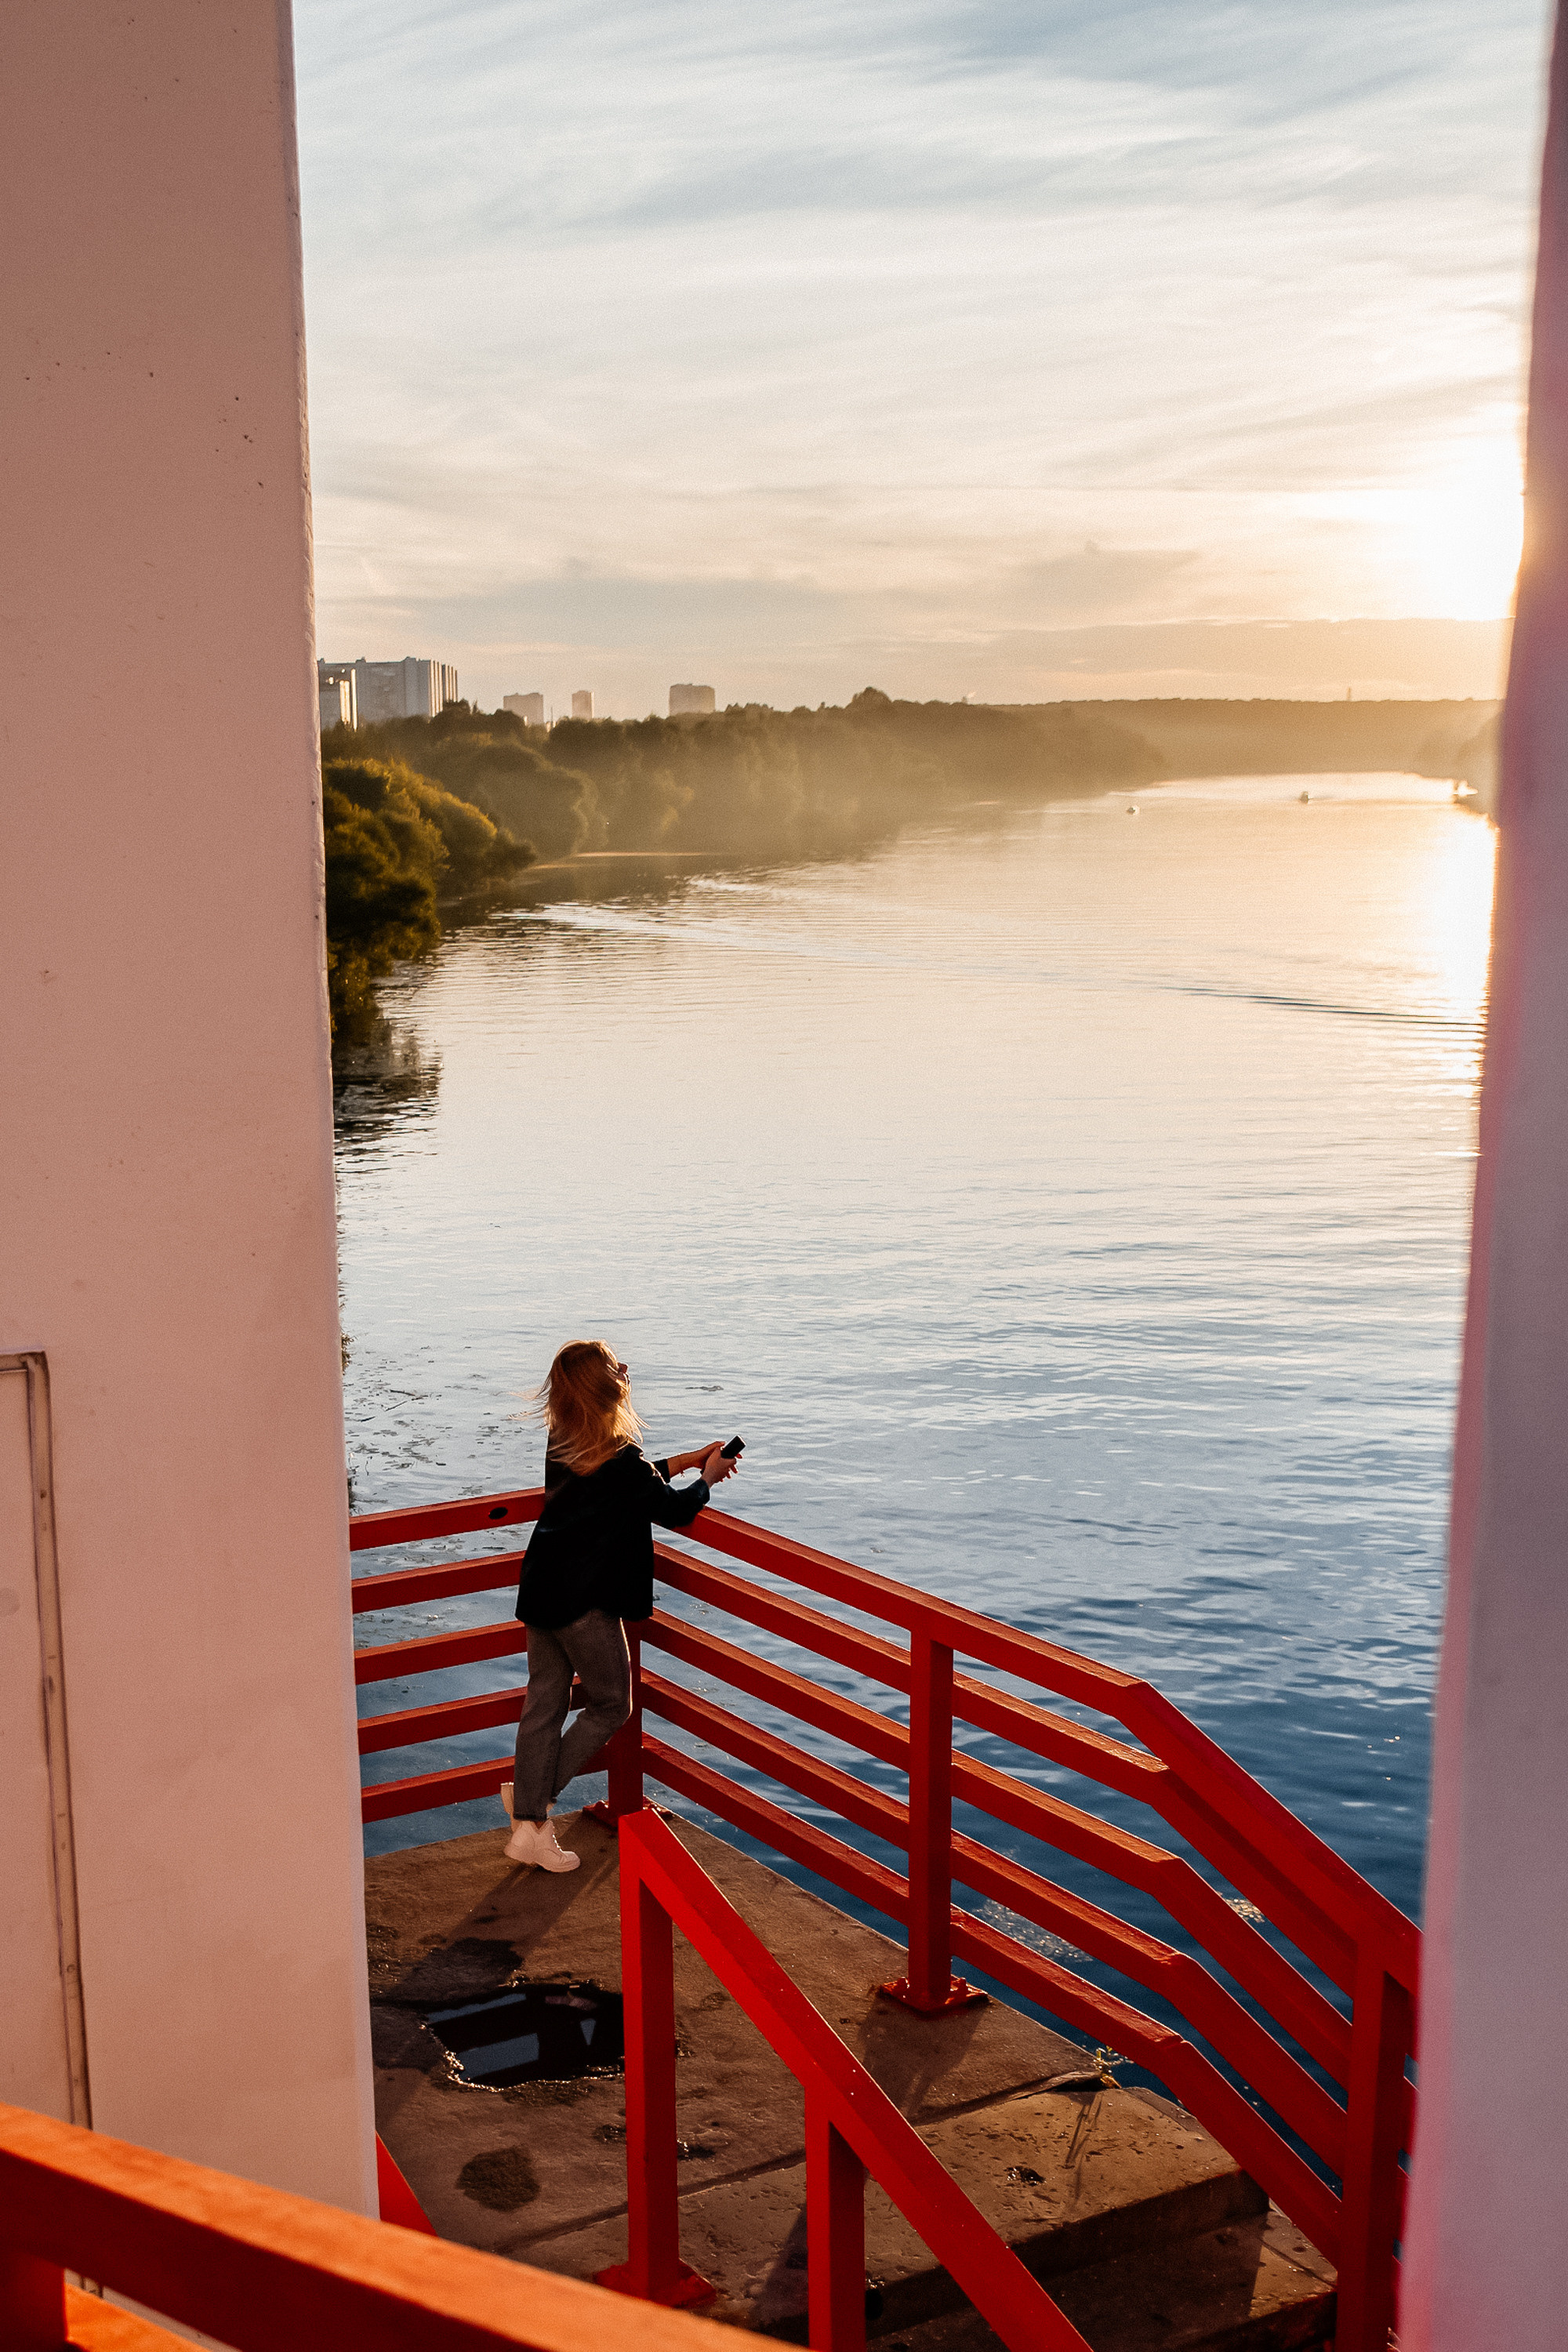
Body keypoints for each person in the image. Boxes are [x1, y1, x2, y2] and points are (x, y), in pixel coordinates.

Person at [501, 1340, 740, 1871]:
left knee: (544, 1704)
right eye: (616, 1366)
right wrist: (707, 1478)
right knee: (613, 1705)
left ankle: (529, 1819)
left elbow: (632, 1486)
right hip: (585, 1604)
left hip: (541, 1589)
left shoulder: (565, 1441)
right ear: (604, 1387)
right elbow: (673, 1511)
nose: (626, 1369)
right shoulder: (622, 1463)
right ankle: (532, 1807)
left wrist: (685, 1461)